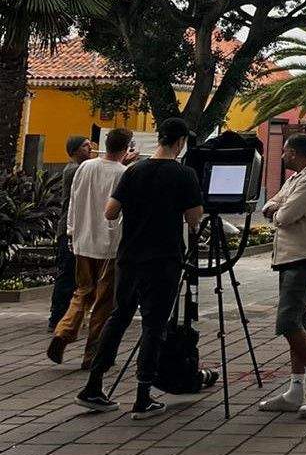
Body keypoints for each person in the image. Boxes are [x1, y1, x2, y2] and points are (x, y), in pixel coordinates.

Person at [77, 118, 202, 419]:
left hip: (130, 256)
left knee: (119, 317)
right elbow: (194, 218)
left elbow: (110, 211)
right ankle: (143, 395)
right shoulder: (184, 174)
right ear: (181, 142)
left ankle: (93, 385)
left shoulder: (134, 171)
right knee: (153, 325)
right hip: (164, 260)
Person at [258, 133, 306, 418]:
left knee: (288, 320)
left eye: (286, 152)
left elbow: (283, 216)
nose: (281, 156)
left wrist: (277, 211)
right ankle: (296, 387)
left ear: (296, 153)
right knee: (299, 321)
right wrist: (277, 209)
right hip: (289, 257)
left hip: (305, 257)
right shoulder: (297, 178)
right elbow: (272, 204)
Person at [47, 129, 133, 369]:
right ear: (126, 148)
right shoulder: (124, 174)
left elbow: (73, 201)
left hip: (82, 239)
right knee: (104, 301)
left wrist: (72, 232)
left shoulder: (85, 168)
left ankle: (63, 332)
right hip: (109, 244)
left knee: (82, 291)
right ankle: (92, 353)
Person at [49, 136, 93, 331]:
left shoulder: (82, 168)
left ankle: (71, 316)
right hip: (68, 230)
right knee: (66, 275)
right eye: (85, 145)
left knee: (78, 277)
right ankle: (56, 318)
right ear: (74, 150)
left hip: (78, 228)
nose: (90, 147)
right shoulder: (74, 170)